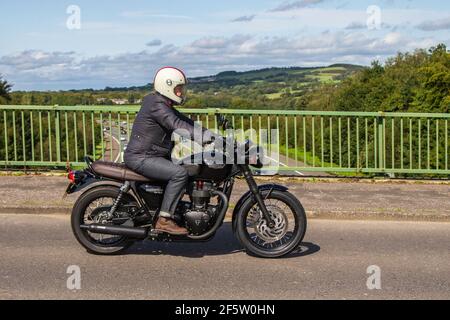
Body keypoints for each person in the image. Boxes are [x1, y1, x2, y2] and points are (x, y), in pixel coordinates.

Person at [124, 67, 215, 235]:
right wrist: (204, 140)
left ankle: (174, 210)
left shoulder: (161, 103)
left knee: (186, 167)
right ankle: (164, 220)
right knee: (179, 173)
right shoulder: (157, 105)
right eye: (178, 88)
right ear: (167, 86)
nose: (181, 92)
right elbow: (176, 125)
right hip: (142, 157)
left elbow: (185, 121)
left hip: (151, 155)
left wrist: (213, 136)